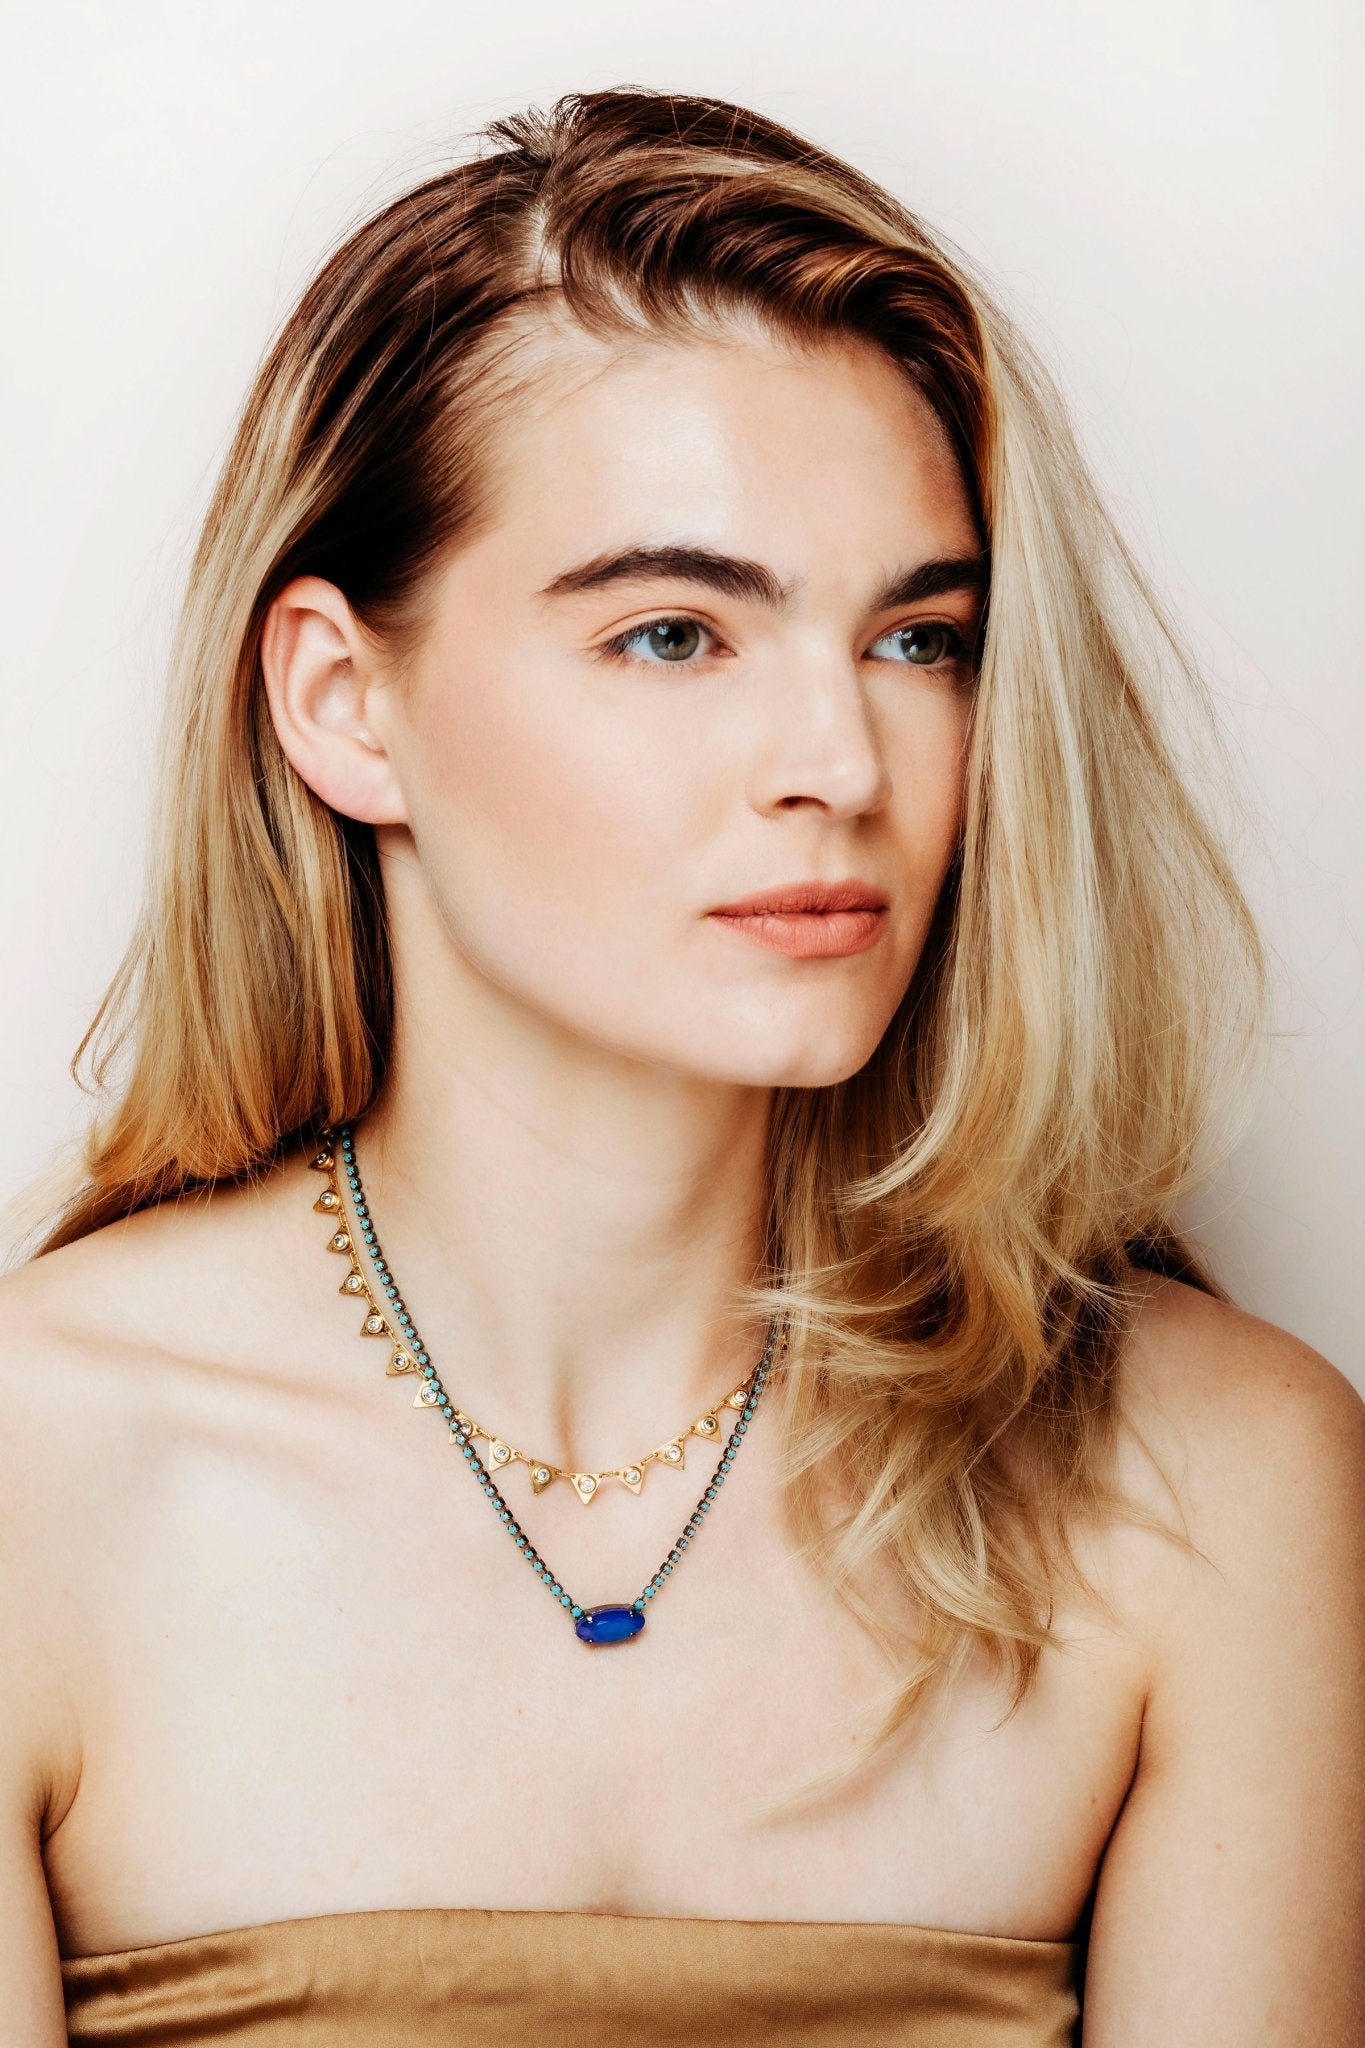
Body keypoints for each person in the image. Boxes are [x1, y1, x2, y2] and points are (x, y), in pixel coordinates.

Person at [1, 85, 1361, 2048]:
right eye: (672, 635)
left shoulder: (1213, 1479)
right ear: (343, 703)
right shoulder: (38, 1473)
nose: (840, 761)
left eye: (919, 640)